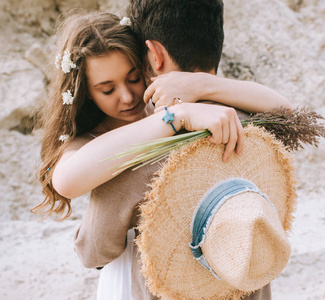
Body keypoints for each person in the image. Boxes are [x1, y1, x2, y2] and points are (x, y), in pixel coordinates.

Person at [32, 7, 291, 300]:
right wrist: (175, 116)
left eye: (133, 78)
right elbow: (66, 180)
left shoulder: (170, 104)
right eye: (107, 89)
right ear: (87, 92)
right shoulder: (91, 139)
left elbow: (286, 112)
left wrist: (201, 85)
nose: (127, 97)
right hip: (143, 275)